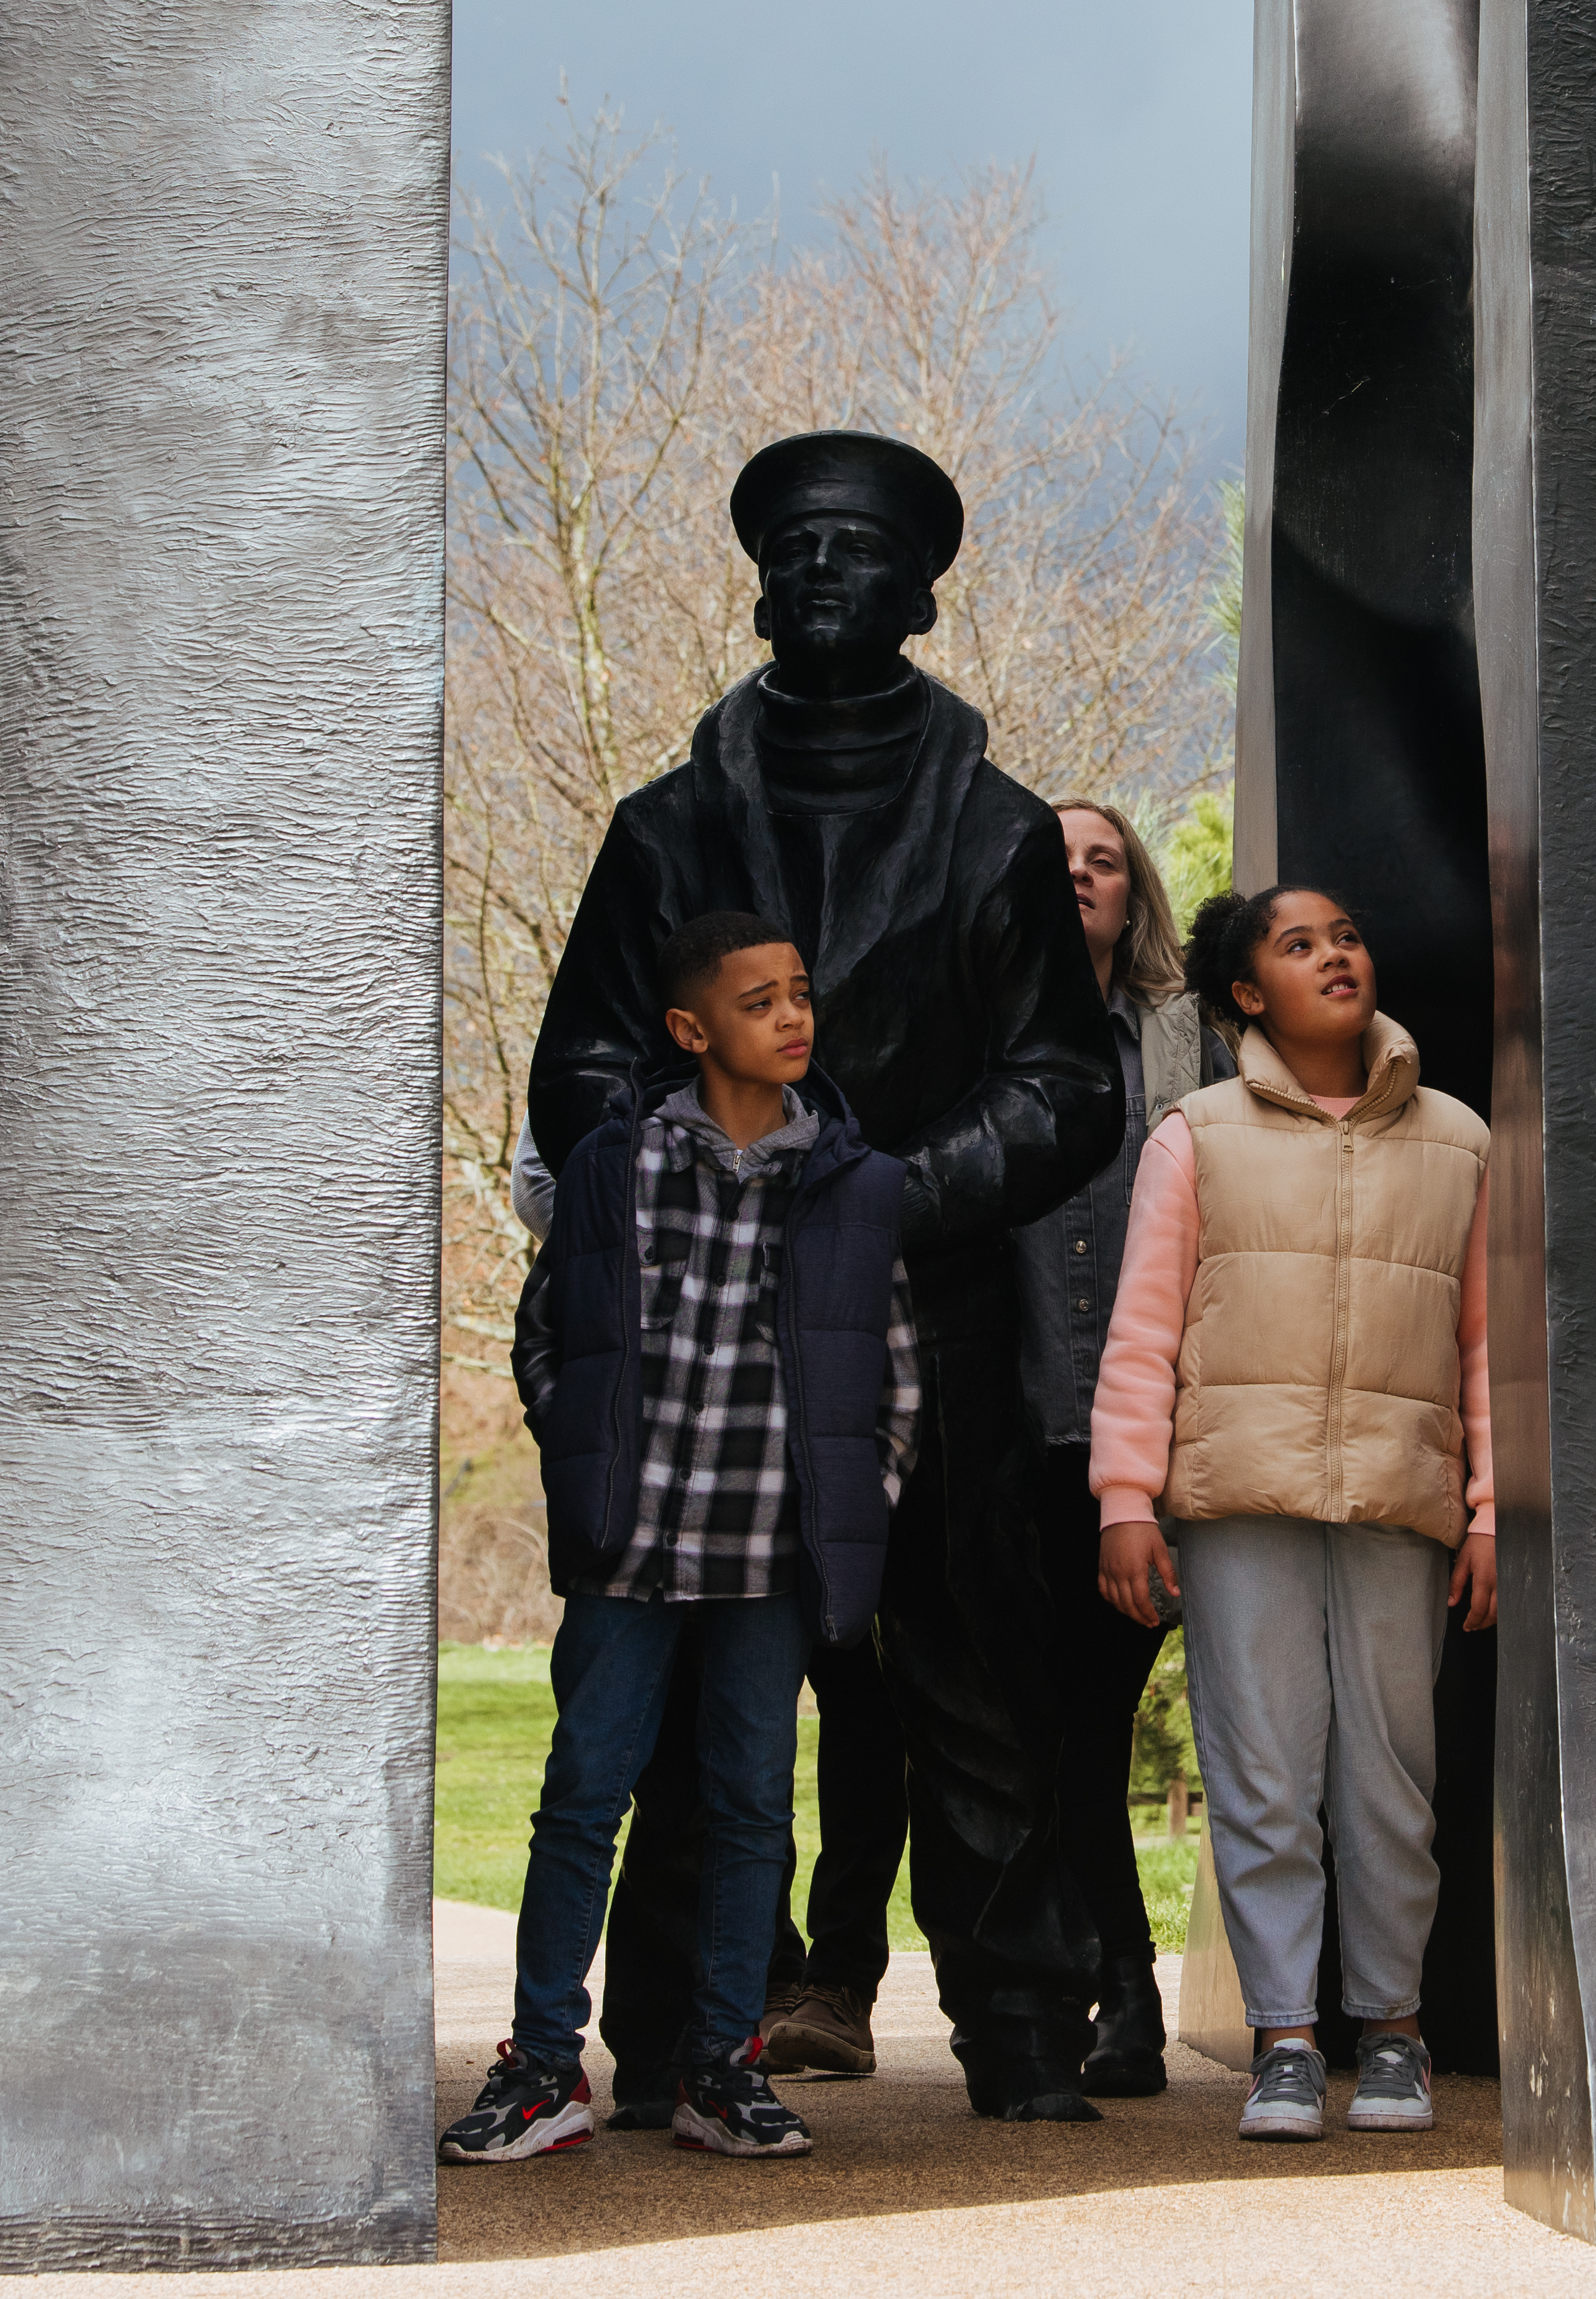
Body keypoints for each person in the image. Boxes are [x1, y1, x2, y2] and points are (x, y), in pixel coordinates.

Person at [519, 429, 1123, 2120]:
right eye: (788, 547)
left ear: (924, 590)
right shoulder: (663, 830)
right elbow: (577, 1070)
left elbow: (1068, 1086)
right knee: (677, 1693)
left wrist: (886, 1195)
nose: (817, 570)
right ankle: (662, 2042)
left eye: (852, 547)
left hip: (926, 1308)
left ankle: (1017, 2028)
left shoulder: (999, 833)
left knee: (971, 1682)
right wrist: (701, 1173)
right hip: (700, 1328)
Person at [445, 910, 921, 2167]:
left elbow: (896, 1375)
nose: (792, 1015)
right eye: (759, 999)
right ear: (690, 1028)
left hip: (770, 1552)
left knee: (751, 1809)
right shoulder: (616, 1166)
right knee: (581, 1795)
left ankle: (724, 2065)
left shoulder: (857, 1184)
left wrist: (850, 1496)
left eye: (801, 993)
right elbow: (548, 1337)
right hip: (632, 1544)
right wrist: (591, 1467)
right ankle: (543, 2063)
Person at [1089, 885, 1495, 2145]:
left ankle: (1391, 2028)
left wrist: (1486, 1509)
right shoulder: (1193, 1135)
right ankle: (1284, 2035)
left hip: (1396, 1493)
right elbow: (1143, 1330)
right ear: (1247, 995)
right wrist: (1122, 1497)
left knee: (1391, 1773)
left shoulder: (1459, 1138)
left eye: (1349, 935)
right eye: (1299, 942)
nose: (1337, 954)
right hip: (1235, 1496)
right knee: (1262, 1767)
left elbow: (1485, 1345)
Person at [985, 797, 1223, 2097]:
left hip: (1152, 1442)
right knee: (1037, 1736)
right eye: (1055, 859)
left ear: (1136, 896)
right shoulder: (981, 1034)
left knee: (1088, 1722)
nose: (1080, 876)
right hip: (1013, 1430)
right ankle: (1095, 1986)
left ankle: (1112, 1981)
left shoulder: (1194, 1042)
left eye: (1105, 861)